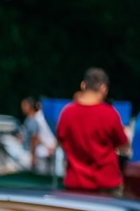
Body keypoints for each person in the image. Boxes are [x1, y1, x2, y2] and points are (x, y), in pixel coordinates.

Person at [56, 67, 131, 195]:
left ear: (83, 85)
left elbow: (61, 141)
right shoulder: (110, 114)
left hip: (75, 183)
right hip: (105, 184)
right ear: (103, 88)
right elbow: (123, 145)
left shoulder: (67, 113)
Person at [20, 96, 58, 174]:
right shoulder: (36, 118)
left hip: (43, 152)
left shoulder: (37, 118)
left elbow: (36, 137)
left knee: (42, 174)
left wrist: (49, 147)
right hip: (46, 150)